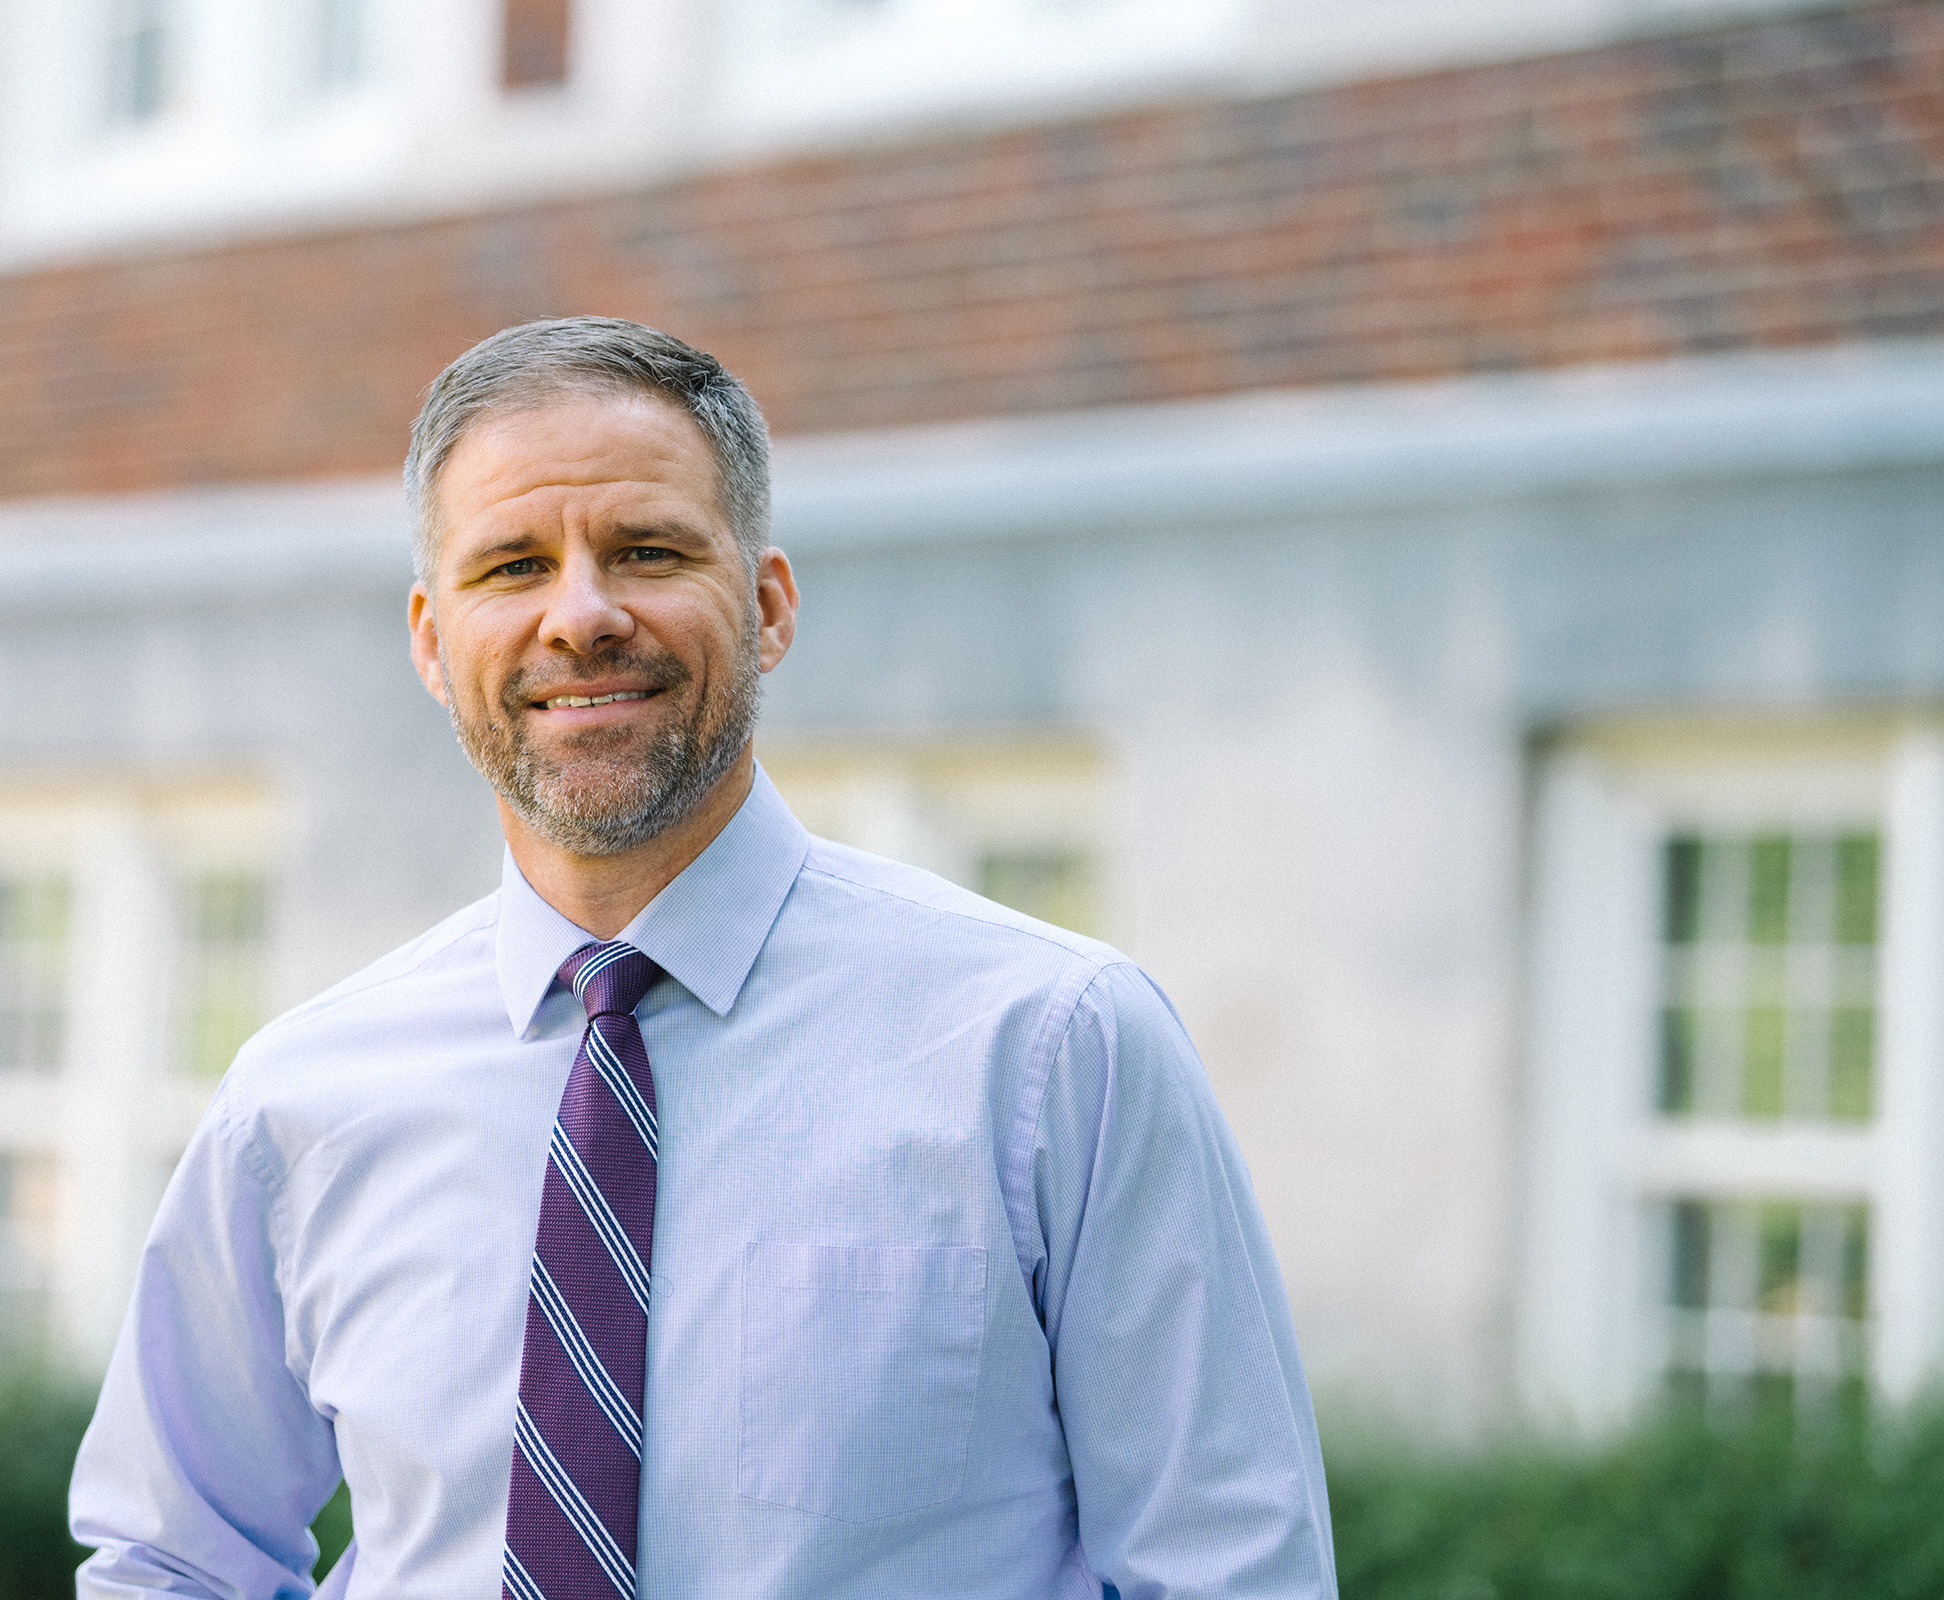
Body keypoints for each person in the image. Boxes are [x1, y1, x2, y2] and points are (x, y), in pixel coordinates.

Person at [69, 317, 1337, 1599]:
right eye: (511, 565)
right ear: (430, 641)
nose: (581, 614)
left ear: (769, 604)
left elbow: (1232, 1569)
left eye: (647, 551)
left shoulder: (1055, 1046)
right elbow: (169, 1557)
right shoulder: (304, 1098)